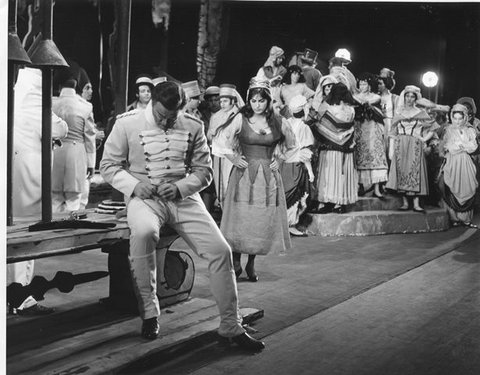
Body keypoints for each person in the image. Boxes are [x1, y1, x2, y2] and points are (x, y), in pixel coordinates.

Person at [99, 81, 265, 350]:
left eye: (172, 117)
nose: (166, 122)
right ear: (152, 103)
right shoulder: (126, 124)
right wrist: (134, 185)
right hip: (145, 198)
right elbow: (107, 165)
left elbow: (205, 171)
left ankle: (230, 326)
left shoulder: (193, 125)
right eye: (161, 116)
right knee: (144, 234)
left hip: (184, 198)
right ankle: (150, 314)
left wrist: (179, 187)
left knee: (220, 250)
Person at [212, 77, 294, 282]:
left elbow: (293, 144)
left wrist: (280, 159)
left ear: (268, 100)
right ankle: (237, 260)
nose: (257, 105)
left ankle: (251, 263)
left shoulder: (278, 121)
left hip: (268, 179)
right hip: (243, 176)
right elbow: (220, 139)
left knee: (259, 220)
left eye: (261, 100)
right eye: (254, 101)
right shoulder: (241, 119)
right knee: (241, 218)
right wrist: (233, 157)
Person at [9, 67, 69, 315]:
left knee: (17, 236)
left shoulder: (15, 90)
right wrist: (59, 126)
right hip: (28, 175)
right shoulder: (33, 94)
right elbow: (58, 129)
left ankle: (15, 295)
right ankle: (21, 299)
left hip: (16, 171)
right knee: (25, 238)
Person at [310, 83, 358, 214]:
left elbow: (322, 127)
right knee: (343, 174)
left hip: (331, 149)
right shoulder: (351, 109)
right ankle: (340, 203)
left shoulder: (331, 108)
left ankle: (328, 202)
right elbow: (351, 128)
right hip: (347, 148)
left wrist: (314, 126)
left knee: (330, 174)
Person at [386, 85, 435, 212]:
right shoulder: (398, 112)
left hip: (414, 144)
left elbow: (433, 128)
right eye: (407, 96)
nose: (409, 98)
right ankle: (405, 203)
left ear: (416, 98)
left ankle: (417, 204)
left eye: (412, 96)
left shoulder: (420, 112)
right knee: (402, 170)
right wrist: (392, 148)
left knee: (414, 170)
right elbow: (392, 132)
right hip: (401, 144)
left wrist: (423, 139)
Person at [52, 78, 97, 212]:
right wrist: (91, 163)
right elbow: (89, 137)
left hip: (54, 151)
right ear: (76, 85)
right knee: (74, 199)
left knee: (54, 198)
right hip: (76, 152)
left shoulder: (50, 102)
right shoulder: (85, 106)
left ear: (59, 86)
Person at [279, 95, 315, 236]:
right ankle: (291, 224)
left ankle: (286, 223)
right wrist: (311, 172)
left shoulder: (286, 122)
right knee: (297, 195)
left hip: (284, 164)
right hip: (296, 166)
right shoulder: (303, 127)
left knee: (287, 193)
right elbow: (304, 153)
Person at [437, 104, 478, 228]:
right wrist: (461, 145)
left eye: (460, 118)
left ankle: (465, 218)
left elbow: (473, 146)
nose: (458, 121)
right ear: (451, 118)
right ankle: (454, 218)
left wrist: (461, 145)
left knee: (468, 186)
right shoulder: (448, 130)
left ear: (465, 117)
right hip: (452, 161)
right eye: (455, 118)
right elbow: (448, 146)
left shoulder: (470, 130)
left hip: (465, 162)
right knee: (452, 185)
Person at [208, 84, 244, 209]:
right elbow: (210, 136)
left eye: (225, 101)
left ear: (233, 101)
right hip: (219, 155)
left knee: (232, 185)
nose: (222, 104)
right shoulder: (216, 116)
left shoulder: (239, 116)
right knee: (220, 186)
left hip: (234, 155)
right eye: (221, 101)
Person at [353, 72, 388, 199]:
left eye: (365, 83)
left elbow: (380, 114)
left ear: (369, 85)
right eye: (360, 83)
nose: (362, 86)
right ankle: (360, 186)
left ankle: (377, 188)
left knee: (375, 156)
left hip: (374, 129)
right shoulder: (355, 97)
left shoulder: (376, 98)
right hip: (360, 129)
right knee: (360, 155)